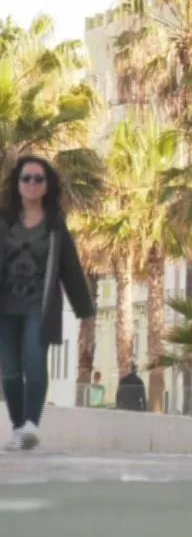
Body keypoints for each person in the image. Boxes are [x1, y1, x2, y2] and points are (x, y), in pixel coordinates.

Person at [0, 156, 94, 452]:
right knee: (11, 371)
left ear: (47, 186)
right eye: (26, 178)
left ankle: (31, 424)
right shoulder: (3, 221)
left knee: (34, 361)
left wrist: (86, 312)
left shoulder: (55, 227)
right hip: (5, 306)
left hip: (38, 307)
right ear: (17, 183)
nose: (31, 184)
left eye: (38, 179)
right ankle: (18, 429)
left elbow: (71, 270)